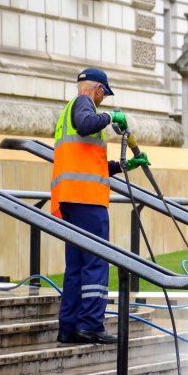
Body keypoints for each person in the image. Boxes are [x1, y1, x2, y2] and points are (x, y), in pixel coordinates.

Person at [51, 68, 149, 345]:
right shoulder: (84, 103)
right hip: (87, 199)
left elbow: (88, 164)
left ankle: (69, 328)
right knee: (96, 262)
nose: (103, 100)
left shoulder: (66, 115)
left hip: (71, 197)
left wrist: (123, 165)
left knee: (76, 266)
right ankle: (91, 325)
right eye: (104, 94)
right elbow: (86, 124)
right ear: (97, 88)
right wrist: (111, 117)